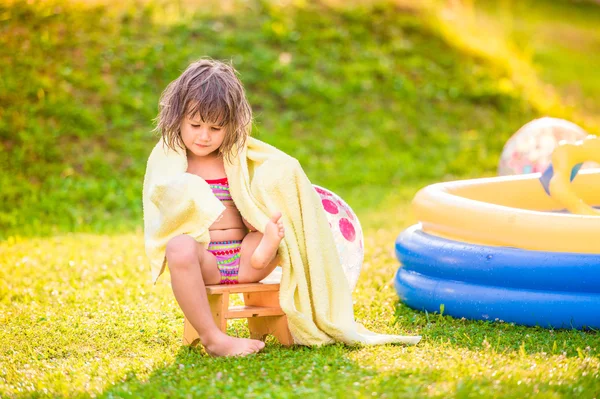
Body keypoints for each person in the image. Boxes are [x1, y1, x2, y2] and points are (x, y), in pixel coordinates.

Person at [150, 58, 284, 357]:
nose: (204, 136)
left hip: (248, 259)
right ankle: (213, 337)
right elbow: (163, 205)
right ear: (178, 118)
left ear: (232, 127)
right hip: (206, 262)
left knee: (269, 230)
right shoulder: (174, 163)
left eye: (215, 128)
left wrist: (264, 225)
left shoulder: (236, 159)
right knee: (179, 247)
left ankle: (268, 245)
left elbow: (258, 196)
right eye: (195, 125)